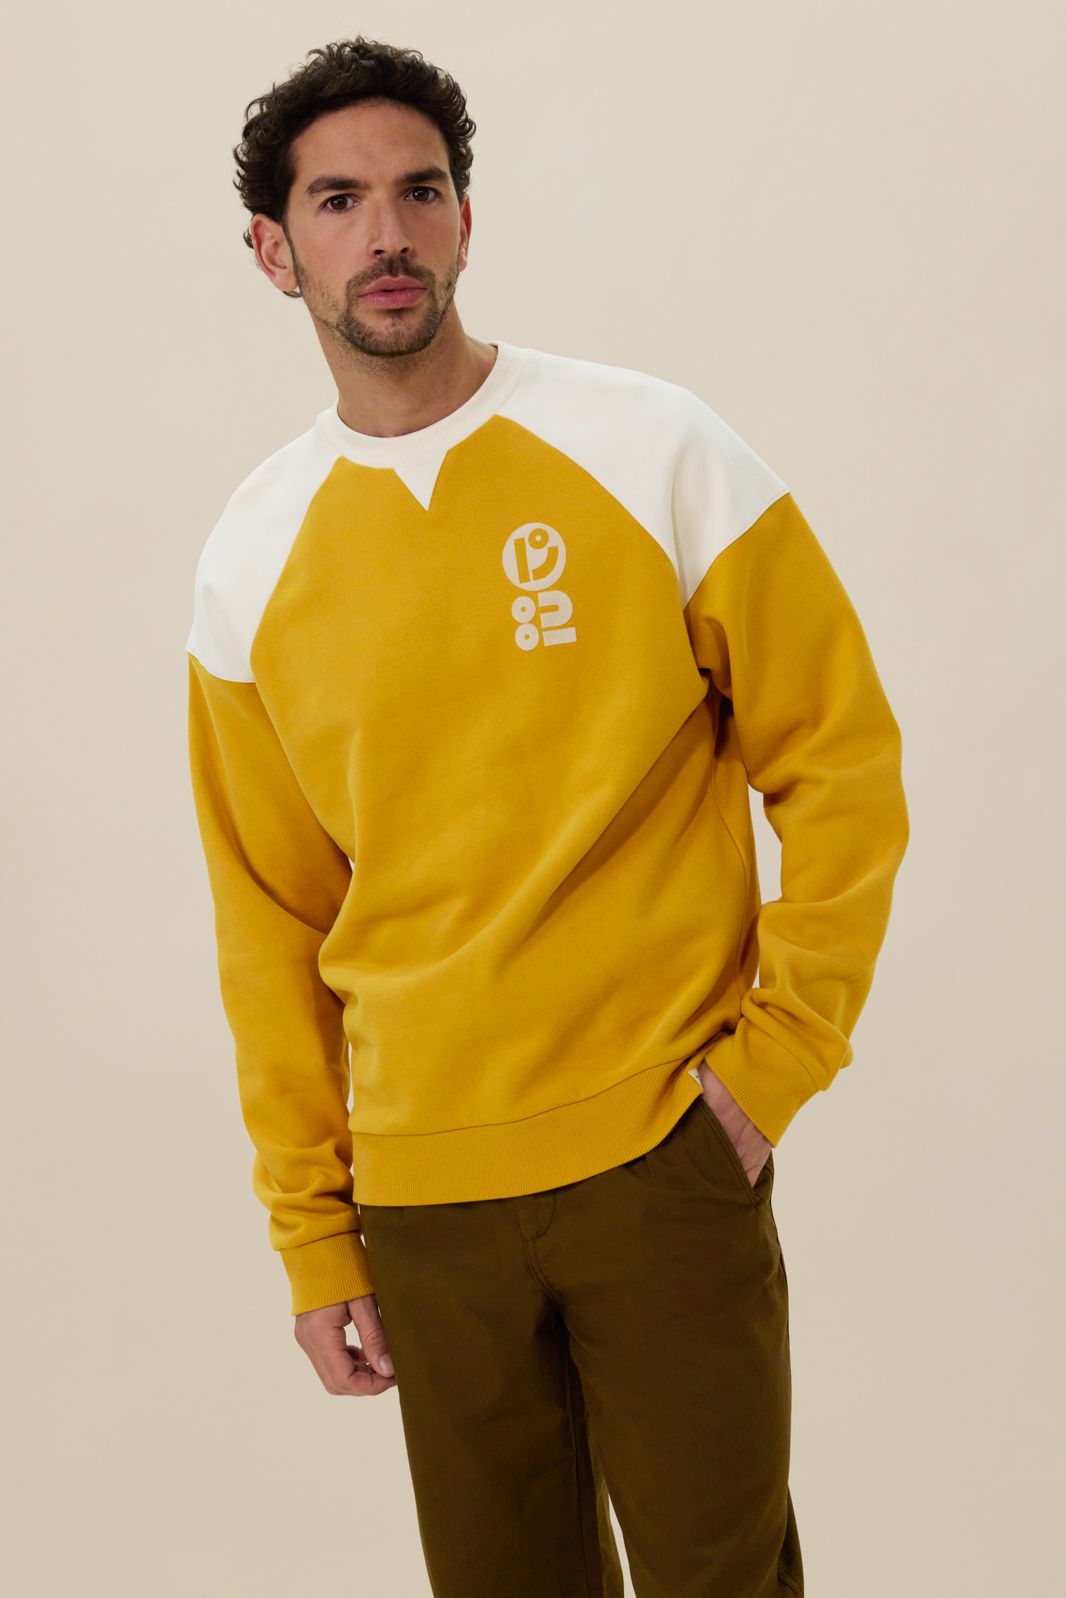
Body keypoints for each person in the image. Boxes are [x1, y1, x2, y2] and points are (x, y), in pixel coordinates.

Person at [185, 34, 909, 1598]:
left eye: (418, 191)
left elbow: (841, 761)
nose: (386, 232)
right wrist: (315, 1232)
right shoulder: (250, 558)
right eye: (336, 201)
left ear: (464, 218)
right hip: (420, 1194)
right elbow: (270, 919)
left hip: (662, 1147)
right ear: (273, 250)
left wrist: (771, 1065)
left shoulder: (650, 447)